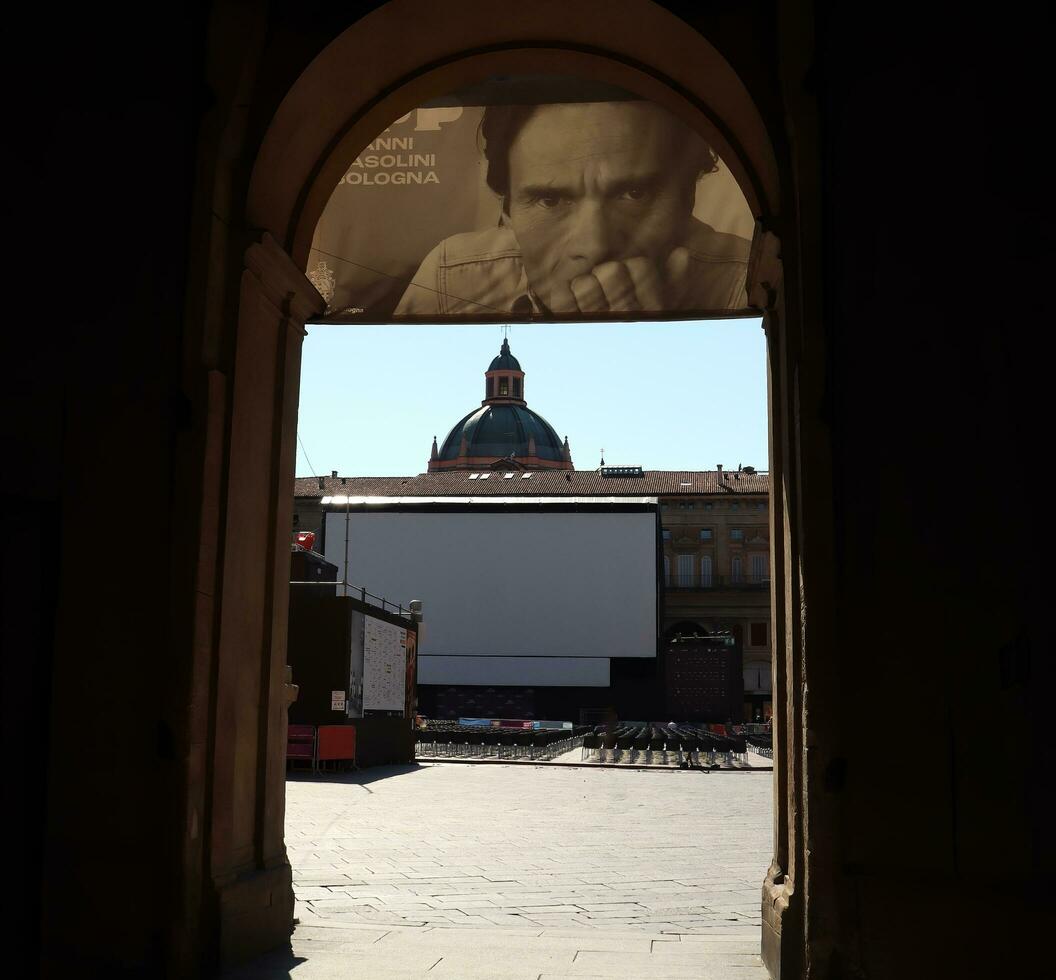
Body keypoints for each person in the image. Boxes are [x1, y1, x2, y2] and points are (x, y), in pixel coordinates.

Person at [395, 98, 750, 316]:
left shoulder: (744, 286)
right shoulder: (451, 279)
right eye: (551, 200)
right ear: (507, 211)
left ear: (688, 195)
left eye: (634, 194)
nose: (594, 246)